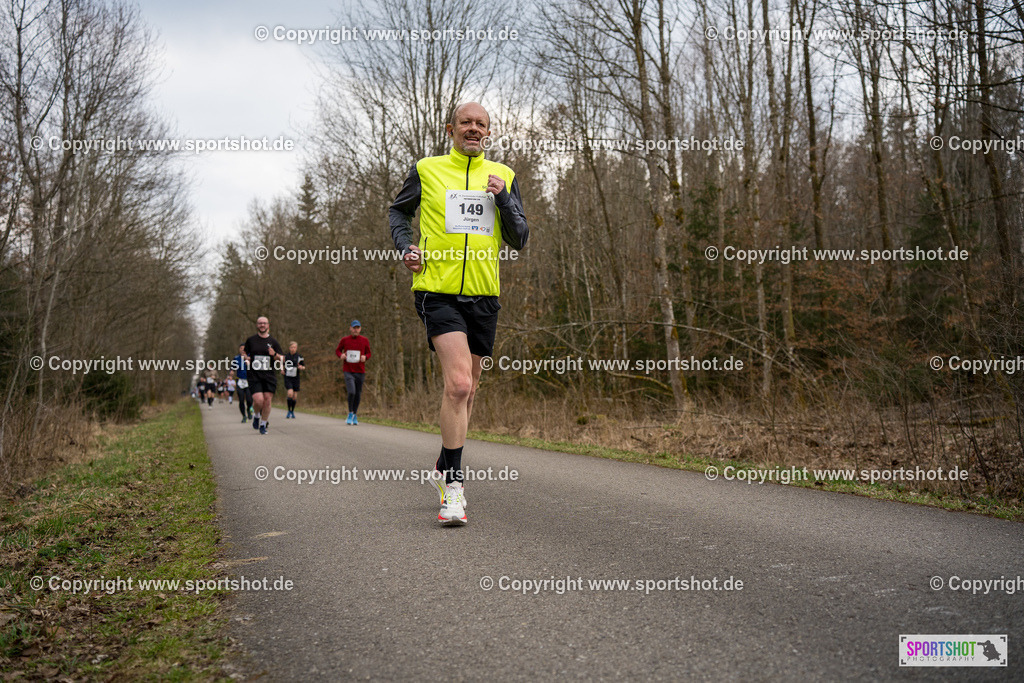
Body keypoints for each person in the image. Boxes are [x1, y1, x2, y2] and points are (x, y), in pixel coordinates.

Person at [389, 102, 529, 525]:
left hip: (484, 296)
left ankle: (442, 461)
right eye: (466, 122)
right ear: (451, 128)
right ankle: (453, 488)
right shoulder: (427, 169)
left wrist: (503, 200)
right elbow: (398, 211)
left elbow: (520, 238)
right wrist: (406, 248)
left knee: (469, 391)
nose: (473, 129)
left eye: (480, 124)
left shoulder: (503, 176)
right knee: (459, 384)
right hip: (438, 291)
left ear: (489, 132)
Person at [244, 316, 284, 435]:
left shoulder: (273, 342)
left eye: (264, 323)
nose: (262, 325)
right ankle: (256, 415)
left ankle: (263, 424)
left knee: (267, 401)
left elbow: (282, 358)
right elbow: (244, 353)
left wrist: (275, 354)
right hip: (254, 375)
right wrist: (246, 358)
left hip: (269, 376)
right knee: (258, 400)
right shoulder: (251, 340)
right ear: (257, 325)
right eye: (260, 323)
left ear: (268, 325)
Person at [335, 321, 370, 425]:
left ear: (360, 329)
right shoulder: (345, 340)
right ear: (350, 328)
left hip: (360, 371)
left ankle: (355, 414)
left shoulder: (364, 340)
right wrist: (341, 355)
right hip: (348, 370)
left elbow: (369, 353)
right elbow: (337, 350)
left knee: (358, 393)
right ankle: (350, 413)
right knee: (351, 392)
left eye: (358, 327)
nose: (356, 329)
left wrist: (365, 357)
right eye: (354, 327)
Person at [282, 342, 305, 419]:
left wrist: (301, 367)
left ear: (296, 348)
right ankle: (289, 411)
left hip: (296, 378)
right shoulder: (286, 356)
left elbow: (303, 366)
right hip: (288, 377)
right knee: (290, 393)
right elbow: (282, 364)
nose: (293, 349)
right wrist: (282, 370)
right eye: (292, 347)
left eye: (294, 347)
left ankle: (292, 411)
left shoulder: (299, 356)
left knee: (294, 396)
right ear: (289, 348)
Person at [234, 344, 254, 422]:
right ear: (239, 350)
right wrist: (231, 373)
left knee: (249, 399)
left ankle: (249, 410)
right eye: (241, 348)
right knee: (241, 400)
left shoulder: (250, 357)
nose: (242, 350)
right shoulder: (236, 358)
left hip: (249, 381)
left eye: (244, 348)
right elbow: (233, 368)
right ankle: (244, 416)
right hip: (239, 381)